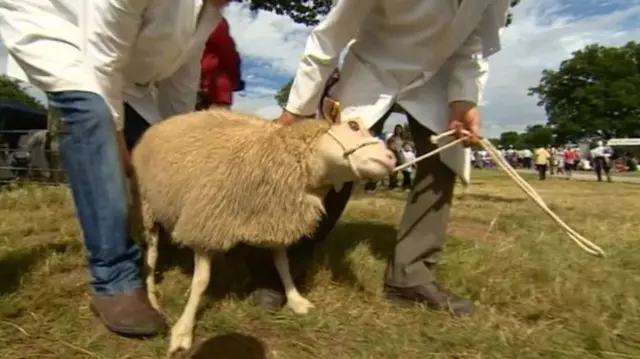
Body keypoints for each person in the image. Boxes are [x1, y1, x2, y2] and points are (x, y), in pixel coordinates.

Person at [250, 0, 511, 316]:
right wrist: (297, 108)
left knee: (442, 165)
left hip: (437, 80)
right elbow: (330, 36)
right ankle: (286, 263)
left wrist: (464, 98)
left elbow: (473, 43)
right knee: (335, 160)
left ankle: (411, 276)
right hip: (373, 70)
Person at [0, 0, 227, 337]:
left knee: (151, 137)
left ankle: (152, 236)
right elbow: (102, 59)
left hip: (122, 69)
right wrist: (120, 144)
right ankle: (113, 278)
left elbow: (182, 76)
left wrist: (176, 146)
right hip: (61, 30)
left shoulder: (211, 10)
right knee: (94, 116)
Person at [196, 17, 244, 111]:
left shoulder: (212, 20)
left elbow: (228, 52)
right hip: (198, 86)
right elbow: (230, 54)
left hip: (215, 92)